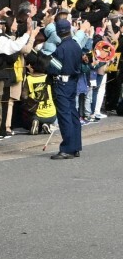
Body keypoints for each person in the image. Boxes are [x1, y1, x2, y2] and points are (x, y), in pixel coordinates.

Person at [48, 19, 87, 159]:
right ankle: (76, 146)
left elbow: (53, 69)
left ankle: (67, 148)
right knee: (73, 114)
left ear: (58, 32)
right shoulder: (76, 46)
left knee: (64, 116)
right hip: (73, 82)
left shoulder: (60, 49)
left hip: (62, 83)